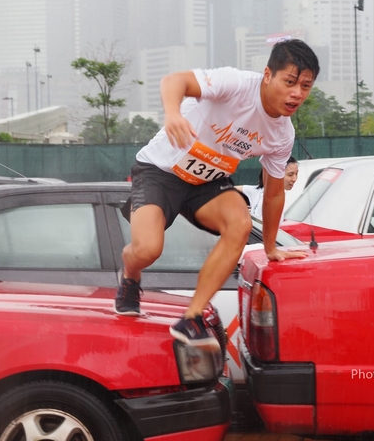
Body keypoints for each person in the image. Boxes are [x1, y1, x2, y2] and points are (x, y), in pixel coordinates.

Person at [116, 39, 320, 352]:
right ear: (268, 75)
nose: (297, 94)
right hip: (161, 171)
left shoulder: (282, 134)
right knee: (148, 250)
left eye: (306, 86)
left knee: (240, 224)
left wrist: (270, 247)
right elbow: (174, 80)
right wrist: (173, 114)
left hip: (208, 181)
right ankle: (130, 274)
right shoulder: (236, 84)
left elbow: (274, 193)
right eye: (290, 82)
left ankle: (192, 318)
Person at [237, 156, 299, 222]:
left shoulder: (280, 199)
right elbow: (230, 189)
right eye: (290, 174)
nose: (294, 179)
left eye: (296, 173)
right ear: (275, 173)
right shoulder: (256, 191)